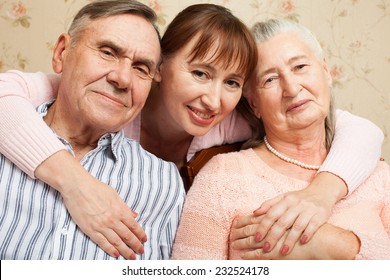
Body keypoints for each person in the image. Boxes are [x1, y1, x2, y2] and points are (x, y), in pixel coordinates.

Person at [0, 3, 384, 258]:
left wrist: (322, 195)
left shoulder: (232, 119)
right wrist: (77, 183)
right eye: (199, 73)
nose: (213, 100)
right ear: (161, 70)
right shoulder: (100, 94)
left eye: (232, 82)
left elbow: (355, 128)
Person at [171, 18, 390, 260]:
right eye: (270, 79)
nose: (292, 88)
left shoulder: (378, 176)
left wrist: (334, 245)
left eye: (300, 67)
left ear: (326, 71)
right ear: (254, 103)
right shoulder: (223, 176)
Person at [0, 0, 185, 260]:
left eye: (141, 68)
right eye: (108, 52)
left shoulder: (163, 183)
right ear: (61, 52)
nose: (122, 78)